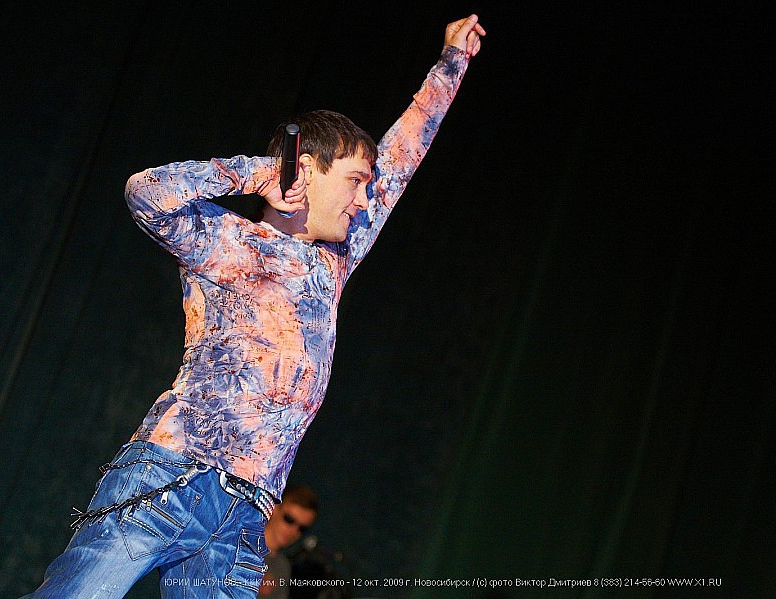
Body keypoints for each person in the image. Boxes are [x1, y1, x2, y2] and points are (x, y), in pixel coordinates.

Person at [24, 14, 484, 599]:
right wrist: (260, 173)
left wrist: (452, 63)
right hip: (172, 477)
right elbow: (146, 192)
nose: (364, 197)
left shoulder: (334, 258)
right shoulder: (227, 242)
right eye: (354, 180)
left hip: (245, 517)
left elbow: (402, 157)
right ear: (307, 170)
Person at [259, 484, 319, 599]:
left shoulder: (283, 566)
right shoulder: (237, 546)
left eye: (302, 528)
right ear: (274, 508)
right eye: (289, 519)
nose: (294, 531)